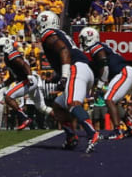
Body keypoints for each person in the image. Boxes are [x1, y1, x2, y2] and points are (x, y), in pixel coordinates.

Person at [36, 10, 99, 152]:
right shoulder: (60, 33)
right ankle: (71, 137)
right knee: (58, 105)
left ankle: (92, 133)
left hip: (75, 68)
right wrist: (57, 77)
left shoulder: (48, 35)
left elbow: (64, 51)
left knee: (72, 103)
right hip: (83, 70)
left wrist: (64, 77)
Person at [79, 26, 132, 139]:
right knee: (112, 101)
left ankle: (118, 131)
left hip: (124, 72)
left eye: (82, 38)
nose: (81, 41)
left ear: (88, 37)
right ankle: (130, 126)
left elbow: (104, 67)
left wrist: (99, 87)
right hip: (125, 72)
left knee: (109, 99)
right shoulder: (100, 47)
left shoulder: (96, 47)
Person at [0, 35, 38, 129]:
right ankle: (67, 127)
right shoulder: (8, 57)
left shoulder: (11, 55)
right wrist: (1, 85)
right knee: (43, 108)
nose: (0, 51)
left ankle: (24, 118)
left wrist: (29, 76)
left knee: (8, 97)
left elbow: (25, 64)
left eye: (1, 48)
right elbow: (12, 77)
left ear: (6, 45)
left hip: (29, 80)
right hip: (28, 79)